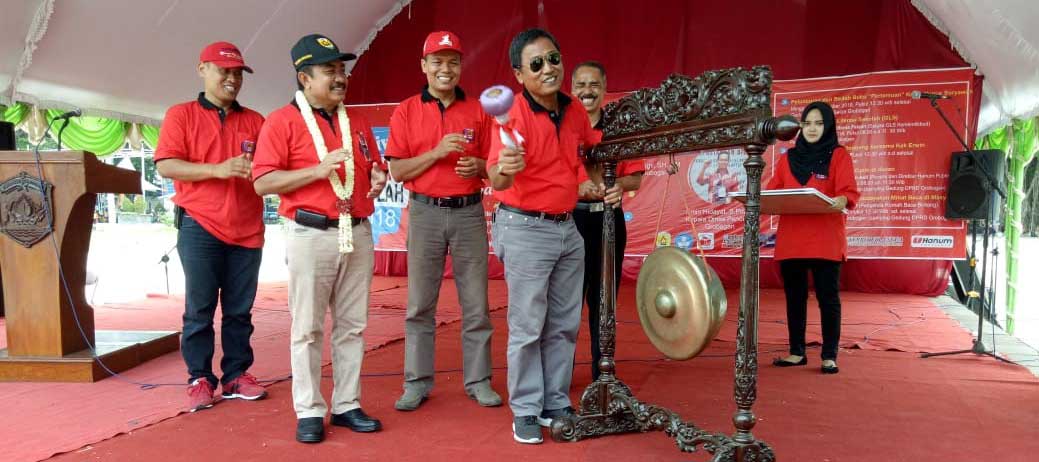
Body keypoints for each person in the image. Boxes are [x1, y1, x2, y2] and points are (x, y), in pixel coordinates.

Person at [252, 34, 388, 443]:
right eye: (330, 70)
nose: (340, 77)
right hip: (310, 233)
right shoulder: (281, 121)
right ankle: (309, 409)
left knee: (353, 326)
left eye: (342, 69)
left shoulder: (356, 119)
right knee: (307, 328)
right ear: (304, 78)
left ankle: (347, 404)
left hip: (358, 231)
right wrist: (316, 170)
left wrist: (379, 178)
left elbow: (372, 165)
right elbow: (263, 182)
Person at [488, 28, 618, 445]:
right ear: (518, 74)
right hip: (524, 228)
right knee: (528, 326)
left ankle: (554, 402)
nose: (550, 68)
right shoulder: (511, 116)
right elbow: (495, 176)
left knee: (563, 324)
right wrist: (506, 166)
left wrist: (608, 184)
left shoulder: (575, 111)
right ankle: (525, 409)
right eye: (537, 63)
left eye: (554, 58)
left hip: (568, 228)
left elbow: (593, 157)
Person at [385, 31, 501, 411]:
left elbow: (496, 166)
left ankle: (479, 380)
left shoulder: (479, 109)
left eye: (452, 61)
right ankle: (416, 383)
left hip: (469, 212)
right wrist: (436, 153)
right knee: (420, 304)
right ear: (424, 66)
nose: (445, 69)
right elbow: (399, 171)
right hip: (425, 212)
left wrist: (481, 166)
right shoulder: (405, 110)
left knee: (476, 305)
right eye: (437, 61)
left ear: (460, 66)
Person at [154, 41, 267, 413]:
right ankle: (199, 377)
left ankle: (236, 375)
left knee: (240, 311)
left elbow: (271, 170)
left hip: (247, 229)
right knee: (199, 310)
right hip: (199, 226)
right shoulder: (181, 115)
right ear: (202, 69)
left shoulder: (256, 121)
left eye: (238, 73)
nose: (232, 79)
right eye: (225, 71)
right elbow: (166, 165)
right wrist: (217, 170)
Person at [768, 101, 859, 375]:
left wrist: (840, 198)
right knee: (794, 298)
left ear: (828, 126)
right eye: (807, 123)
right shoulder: (787, 158)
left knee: (827, 298)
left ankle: (829, 355)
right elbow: (772, 193)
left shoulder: (839, 155)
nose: (812, 128)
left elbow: (849, 192)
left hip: (826, 240)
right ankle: (796, 352)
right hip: (792, 240)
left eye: (818, 123)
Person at [570, 61, 644, 381]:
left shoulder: (619, 128)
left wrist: (618, 187)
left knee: (603, 299)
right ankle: (559, 373)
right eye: (581, 85)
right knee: (567, 300)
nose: (587, 91)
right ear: (571, 90)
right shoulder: (562, 126)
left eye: (594, 85)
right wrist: (575, 187)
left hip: (609, 223)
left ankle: (603, 370)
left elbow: (635, 178)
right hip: (569, 221)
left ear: (604, 88)